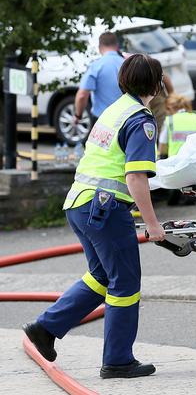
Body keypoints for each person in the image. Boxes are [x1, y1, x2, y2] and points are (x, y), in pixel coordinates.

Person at [23, 54, 166, 378]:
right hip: (106, 209)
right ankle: (117, 360)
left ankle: (45, 329)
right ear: (156, 85)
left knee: (102, 276)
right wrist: (154, 224)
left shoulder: (113, 110)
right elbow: (135, 177)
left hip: (79, 204)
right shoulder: (140, 119)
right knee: (125, 282)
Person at [73, 32, 124, 126]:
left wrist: (78, 115)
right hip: (126, 120)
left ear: (99, 47)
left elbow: (82, 95)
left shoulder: (96, 66)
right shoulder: (128, 65)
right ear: (117, 46)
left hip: (102, 121)